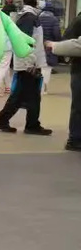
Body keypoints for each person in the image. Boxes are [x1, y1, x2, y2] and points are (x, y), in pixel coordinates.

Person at [0, 0, 52, 136]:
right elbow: (24, 41)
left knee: (24, 96)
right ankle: (28, 125)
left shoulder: (30, 15)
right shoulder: (28, 17)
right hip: (28, 65)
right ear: (34, 0)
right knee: (26, 96)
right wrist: (30, 63)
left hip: (29, 63)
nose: (44, 2)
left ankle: (15, 122)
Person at [46, 11, 81, 151]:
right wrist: (57, 47)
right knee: (79, 105)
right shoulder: (79, 20)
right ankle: (75, 139)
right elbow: (71, 42)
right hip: (79, 69)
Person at [38, 0, 61, 95]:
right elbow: (57, 34)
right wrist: (58, 42)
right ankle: (44, 88)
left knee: (40, 66)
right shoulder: (54, 20)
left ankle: (39, 87)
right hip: (49, 46)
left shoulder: (38, 18)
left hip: (39, 45)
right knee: (47, 68)